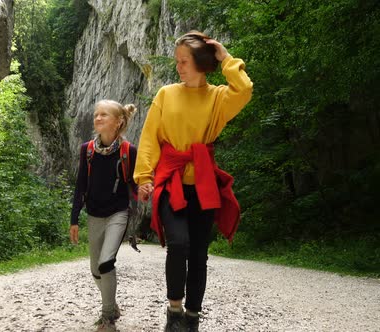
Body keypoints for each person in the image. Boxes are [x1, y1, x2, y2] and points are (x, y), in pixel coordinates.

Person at [134, 31, 253, 332]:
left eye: (184, 61)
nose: (179, 67)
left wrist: (225, 59)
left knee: (199, 253)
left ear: (200, 62)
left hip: (203, 183)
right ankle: (174, 311)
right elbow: (150, 138)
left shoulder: (217, 98)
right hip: (171, 180)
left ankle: (192, 317)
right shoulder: (165, 94)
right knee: (178, 243)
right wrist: (144, 177)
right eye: (177, 61)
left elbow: (244, 89)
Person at [70, 99, 138, 332]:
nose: (97, 118)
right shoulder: (87, 150)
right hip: (94, 214)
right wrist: (74, 219)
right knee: (95, 270)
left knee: (106, 262)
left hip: (118, 213)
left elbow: (136, 185)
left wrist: (147, 189)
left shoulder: (129, 152)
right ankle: (113, 305)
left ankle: (108, 317)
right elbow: (80, 185)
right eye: (96, 114)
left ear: (118, 122)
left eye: (104, 115)